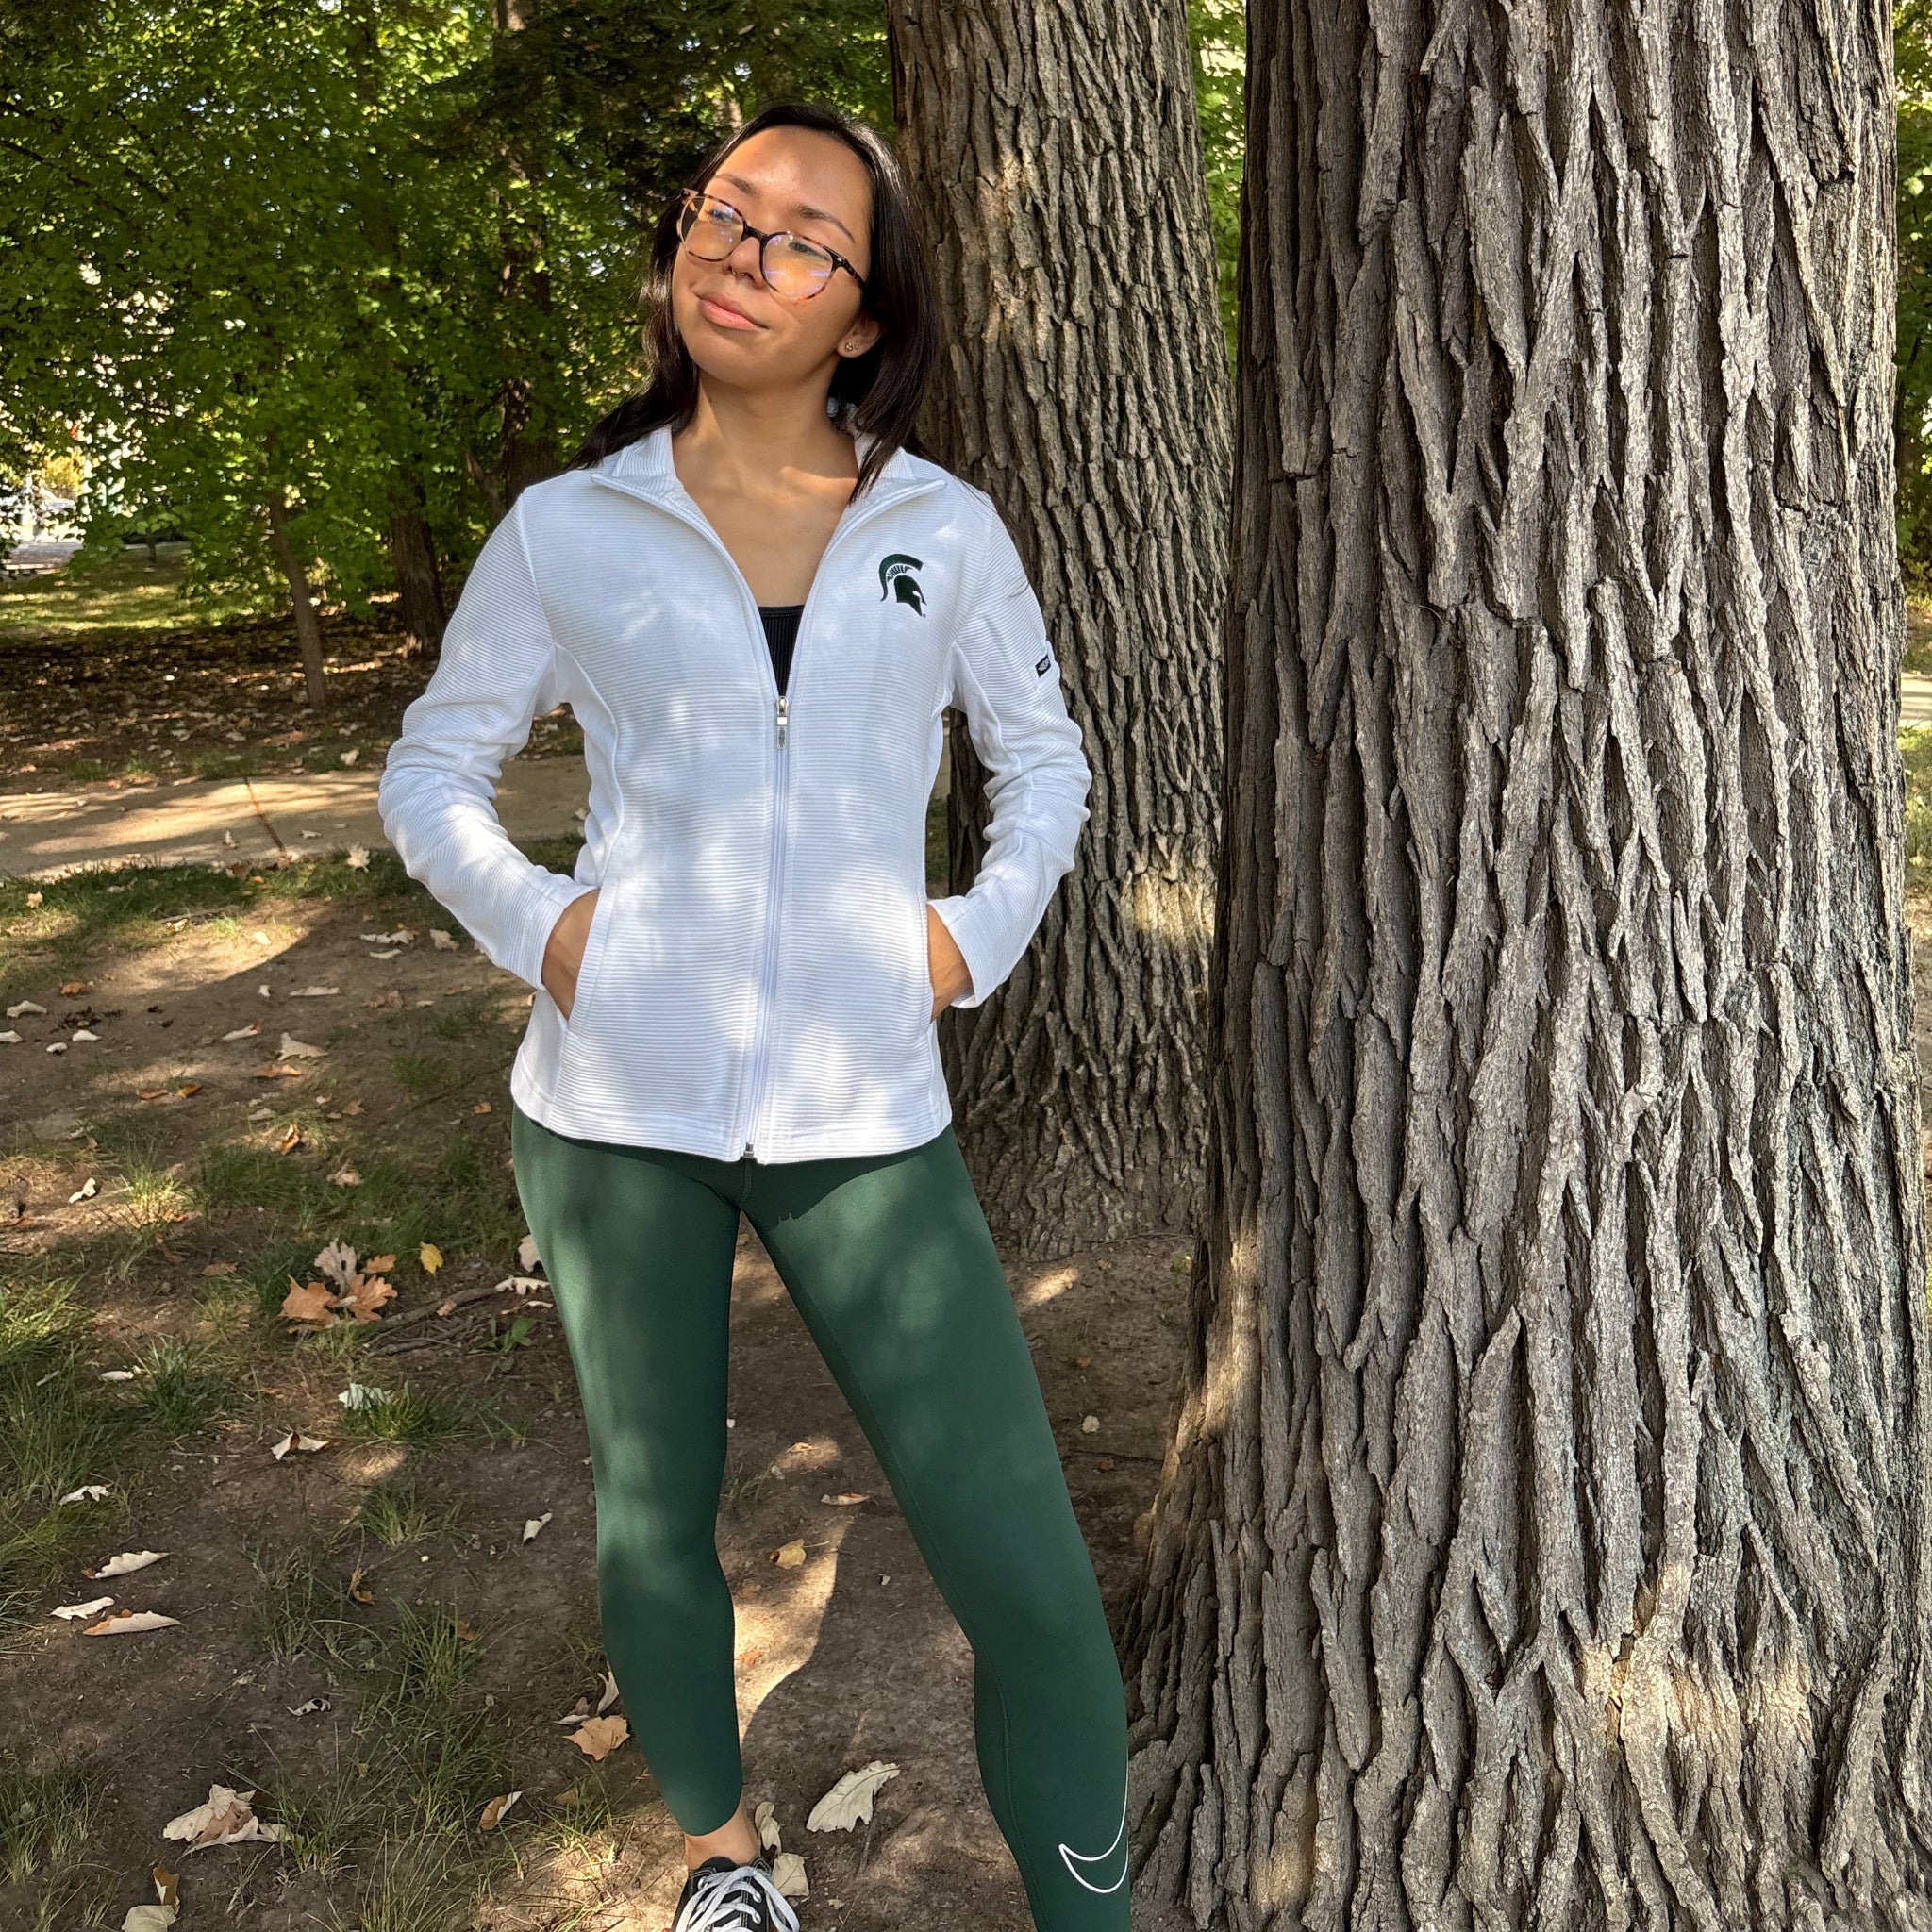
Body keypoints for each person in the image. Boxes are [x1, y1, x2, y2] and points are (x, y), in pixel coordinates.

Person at [375, 98, 1126, 1932]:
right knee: (655, 1516)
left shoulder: (939, 529)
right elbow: (436, 768)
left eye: (801, 235)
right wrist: (544, 925)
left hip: (865, 1115)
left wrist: (969, 938)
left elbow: (1044, 761)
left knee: (1031, 1589)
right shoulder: (573, 525)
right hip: (610, 1108)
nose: (745, 249)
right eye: (725, 211)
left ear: (863, 315)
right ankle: (723, 1873)